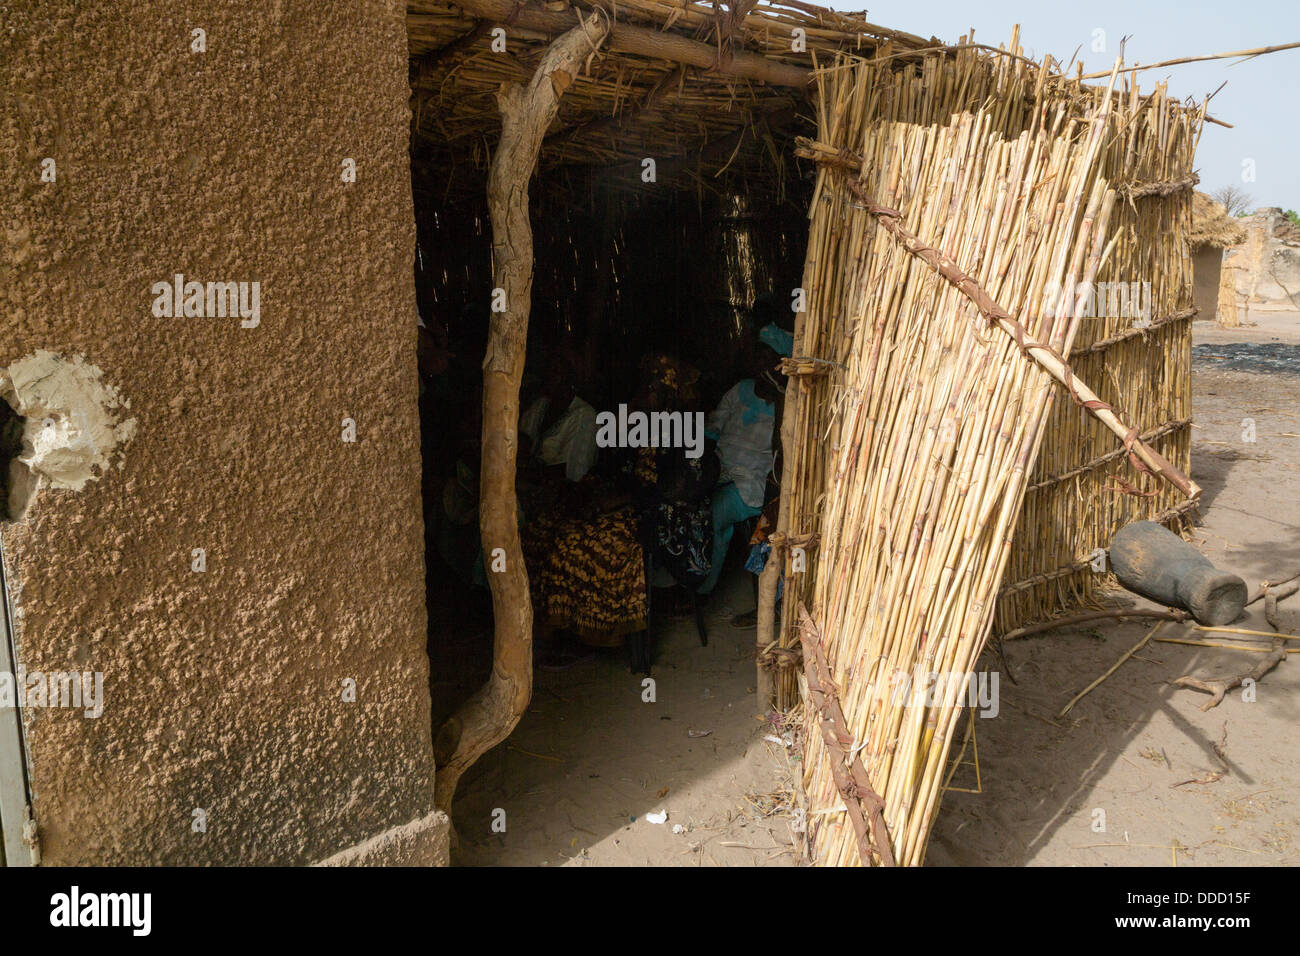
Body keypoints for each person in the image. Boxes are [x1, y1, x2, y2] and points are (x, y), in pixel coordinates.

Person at [697, 297, 792, 597]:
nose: (763, 364)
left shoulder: (788, 405)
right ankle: (692, 577)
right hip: (721, 471)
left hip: (752, 483)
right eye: (759, 356)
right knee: (693, 507)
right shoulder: (739, 391)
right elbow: (712, 430)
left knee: (715, 513)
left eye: (770, 357)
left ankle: (704, 588)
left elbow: (782, 453)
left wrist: (779, 400)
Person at [518, 349, 598, 483]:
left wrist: (524, 474)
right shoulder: (540, 405)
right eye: (547, 371)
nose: (550, 377)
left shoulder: (585, 415)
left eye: (556, 372)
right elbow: (520, 442)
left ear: (570, 376)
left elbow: (572, 472)